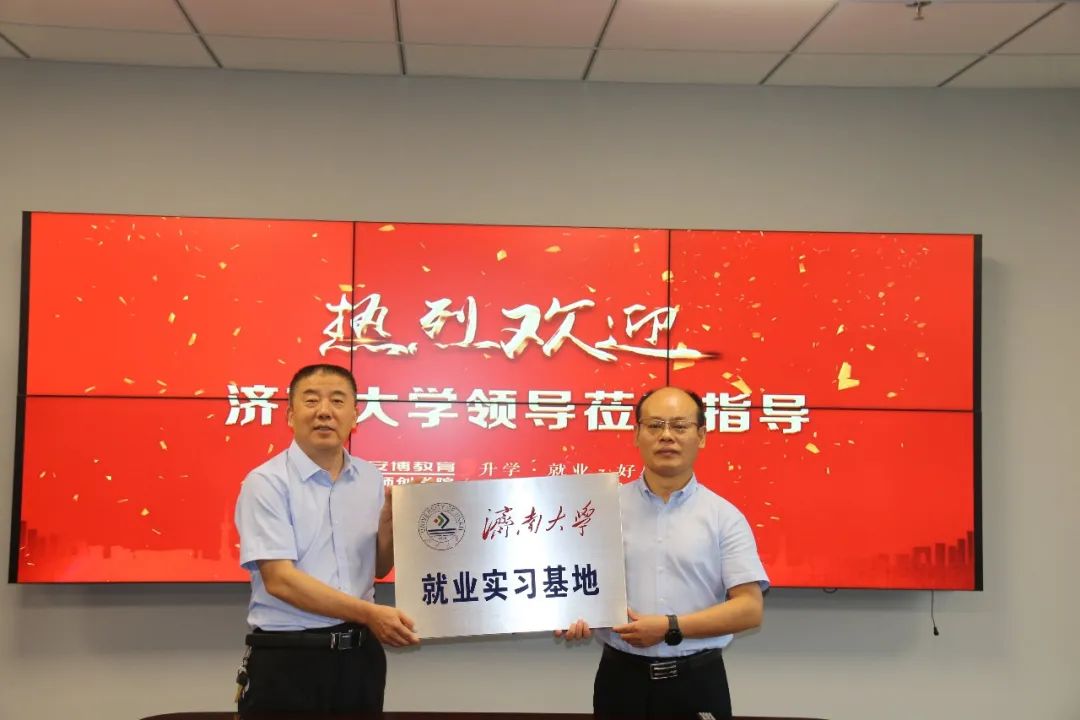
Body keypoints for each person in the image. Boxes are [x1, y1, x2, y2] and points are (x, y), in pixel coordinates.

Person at [559, 386, 769, 718]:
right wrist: (568, 612)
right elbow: (572, 585)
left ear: (701, 436)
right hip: (620, 680)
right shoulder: (600, 510)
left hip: (697, 681)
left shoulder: (724, 516)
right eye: (655, 425)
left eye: (680, 426)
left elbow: (749, 609)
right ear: (636, 434)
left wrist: (671, 626)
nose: (666, 436)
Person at [233, 363, 419, 716]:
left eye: (337, 401)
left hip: (360, 658)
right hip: (290, 659)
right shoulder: (266, 482)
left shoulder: (369, 477)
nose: (324, 411)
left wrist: (392, 526)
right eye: (311, 400)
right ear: (290, 415)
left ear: (354, 416)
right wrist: (370, 613)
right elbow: (280, 580)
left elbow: (377, 568)